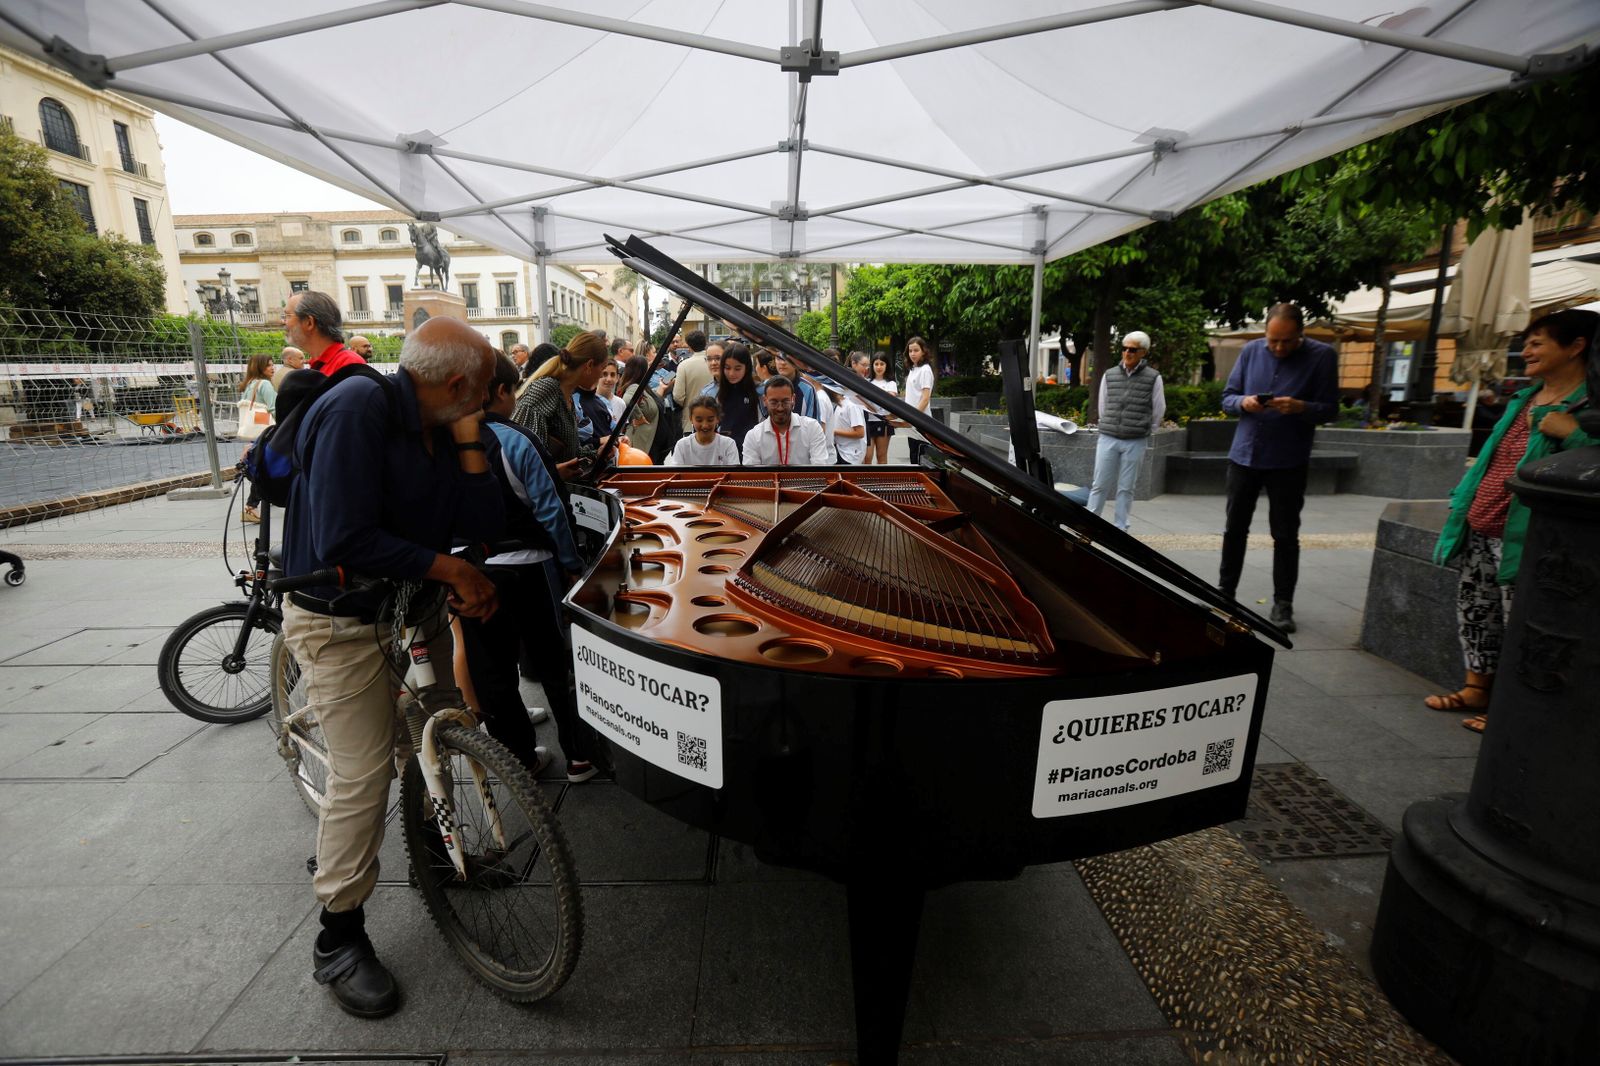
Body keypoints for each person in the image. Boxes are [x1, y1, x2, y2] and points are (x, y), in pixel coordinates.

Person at [278, 316, 504, 1018]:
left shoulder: (445, 424)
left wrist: (469, 443)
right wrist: (449, 569)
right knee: (365, 770)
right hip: (340, 621)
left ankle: (439, 854)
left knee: (434, 730)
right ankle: (338, 936)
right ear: (460, 381)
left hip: (411, 605)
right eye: (488, 393)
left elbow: (485, 526)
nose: (496, 405)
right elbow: (345, 535)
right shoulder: (357, 410)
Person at [1425, 308, 1596, 733]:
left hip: (1524, 532)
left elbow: (1590, 462)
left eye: (1538, 343)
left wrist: (1571, 432)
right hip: (1481, 519)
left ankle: (1506, 706)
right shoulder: (1524, 396)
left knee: (1517, 618)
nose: (1527, 350)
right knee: (1476, 610)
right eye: (1528, 342)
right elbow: (1493, 459)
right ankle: (1475, 688)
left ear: (1576, 346)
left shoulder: (1589, 406)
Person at [459, 353, 592, 778]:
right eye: (513, 390)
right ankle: (578, 755)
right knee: (555, 663)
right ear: (498, 392)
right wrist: (571, 564)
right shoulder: (515, 439)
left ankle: (520, 759)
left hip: (471, 571)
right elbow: (552, 511)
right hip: (530, 568)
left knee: (494, 671)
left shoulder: (445, 441)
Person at [1217, 303, 1339, 633]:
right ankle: (1224, 594)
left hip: (1289, 459)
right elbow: (1227, 398)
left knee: (1285, 535)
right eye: (1273, 340)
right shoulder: (1250, 351)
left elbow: (1330, 409)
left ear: (1301, 333)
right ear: (1265, 333)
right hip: (1244, 455)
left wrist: (1301, 407)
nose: (1279, 348)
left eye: (1287, 341)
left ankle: (1283, 604)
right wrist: (1243, 402)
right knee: (1234, 529)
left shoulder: (1323, 356)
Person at [1086, 331, 1166, 531]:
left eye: (1132, 349)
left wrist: (1145, 429)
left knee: (1126, 487)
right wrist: (1109, 424)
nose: (1127, 353)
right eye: (1124, 348)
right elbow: (1103, 405)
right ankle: (1089, 524)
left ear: (1143, 352)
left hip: (1135, 439)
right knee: (1100, 484)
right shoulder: (1110, 374)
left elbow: (1158, 409)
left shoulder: (1153, 378)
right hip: (1108, 436)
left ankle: (1121, 527)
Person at [511, 332, 609, 476]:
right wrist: (554, 472)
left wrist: (597, 454)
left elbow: (570, 453)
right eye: (603, 368)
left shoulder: (567, 395)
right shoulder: (547, 388)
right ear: (589, 365)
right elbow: (523, 453)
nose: (602, 375)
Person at [742, 376, 832, 466]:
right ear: (764, 401)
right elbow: (753, 476)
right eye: (774, 402)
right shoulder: (753, 436)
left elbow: (820, 469)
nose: (780, 408)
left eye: (785, 402)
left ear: (793, 399)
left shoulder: (812, 428)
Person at [281, 292, 367, 377]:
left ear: (309, 322)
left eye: (287, 315)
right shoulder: (319, 364)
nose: (282, 322)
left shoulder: (348, 365)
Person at [238, 352, 278, 524]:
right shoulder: (265, 385)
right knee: (264, 469)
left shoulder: (249, 384)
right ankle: (250, 507)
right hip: (265, 433)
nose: (273, 367)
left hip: (254, 432)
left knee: (261, 467)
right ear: (260, 366)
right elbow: (274, 408)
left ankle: (253, 505)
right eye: (269, 365)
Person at [715, 344, 762, 455]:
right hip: (724, 453)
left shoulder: (759, 391)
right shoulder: (716, 393)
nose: (731, 373)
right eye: (727, 368)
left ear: (747, 367)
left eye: (737, 368)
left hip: (751, 452)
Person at [666, 396, 740, 466]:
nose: (705, 425)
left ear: (717, 419)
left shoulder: (728, 444)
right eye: (699, 420)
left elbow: (734, 475)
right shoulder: (682, 445)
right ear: (691, 419)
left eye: (710, 420)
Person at [617, 354, 663, 457]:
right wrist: (639, 417)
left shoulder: (643, 388)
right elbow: (627, 400)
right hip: (638, 445)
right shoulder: (634, 387)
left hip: (645, 444)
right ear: (643, 371)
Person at [671, 331, 715, 433]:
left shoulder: (683, 365)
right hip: (715, 418)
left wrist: (688, 404)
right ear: (705, 342)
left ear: (689, 346)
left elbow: (678, 396)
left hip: (691, 421)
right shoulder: (715, 363)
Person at [902, 337, 936, 463]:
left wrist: (914, 418)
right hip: (912, 421)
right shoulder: (913, 369)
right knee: (913, 456)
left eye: (916, 350)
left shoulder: (925, 370)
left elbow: (925, 398)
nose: (912, 354)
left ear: (923, 351)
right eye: (910, 351)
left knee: (920, 459)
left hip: (921, 421)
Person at [867, 354, 898, 464]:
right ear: (872, 365)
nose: (879, 367)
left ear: (886, 366)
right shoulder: (867, 382)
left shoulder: (891, 383)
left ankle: (882, 480)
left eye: (882, 364)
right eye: (876, 364)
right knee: (867, 457)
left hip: (883, 422)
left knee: (881, 456)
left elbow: (890, 401)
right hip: (867, 422)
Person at [833, 389, 868, 464]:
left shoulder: (852, 405)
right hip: (841, 450)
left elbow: (860, 433)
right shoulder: (841, 402)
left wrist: (833, 431)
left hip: (850, 455)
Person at [596, 359, 625, 423]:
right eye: (604, 374)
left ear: (617, 378)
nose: (609, 379)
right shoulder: (588, 401)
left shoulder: (620, 403)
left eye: (612, 375)